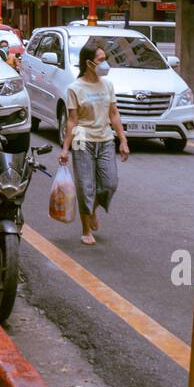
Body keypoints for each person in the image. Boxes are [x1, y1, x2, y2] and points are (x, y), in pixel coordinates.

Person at [58, 39, 130, 246]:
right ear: (89, 63)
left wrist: (123, 140)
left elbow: (114, 114)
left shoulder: (107, 85)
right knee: (85, 186)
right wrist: (65, 149)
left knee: (110, 183)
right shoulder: (75, 88)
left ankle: (92, 211)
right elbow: (72, 120)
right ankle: (86, 228)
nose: (105, 64)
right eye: (101, 60)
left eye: (105, 59)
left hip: (105, 139)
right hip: (82, 141)